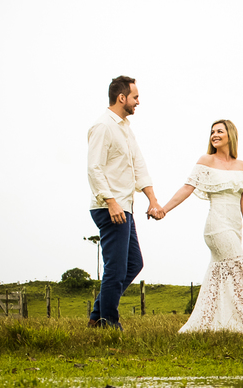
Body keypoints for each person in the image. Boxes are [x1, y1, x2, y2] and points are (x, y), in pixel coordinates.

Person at [160, 120, 243, 334]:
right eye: (212, 132)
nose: (214, 135)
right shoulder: (206, 160)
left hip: (235, 227)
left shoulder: (242, 166)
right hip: (217, 226)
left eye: (219, 131)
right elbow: (187, 188)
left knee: (219, 276)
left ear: (230, 135)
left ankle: (211, 324)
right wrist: (164, 209)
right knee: (239, 270)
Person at [86, 75, 164, 330]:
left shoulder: (125, 128)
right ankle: (108, 323)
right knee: (116, 270)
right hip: (109, 207)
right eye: (135, 97)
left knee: (133, 264)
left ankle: (98, 316)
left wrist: (152, 199)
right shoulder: (102, 126)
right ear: (122, 98)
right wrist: (111, 202)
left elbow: (139, 166)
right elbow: (94, 168)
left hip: (125, 207)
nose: (138, 102)